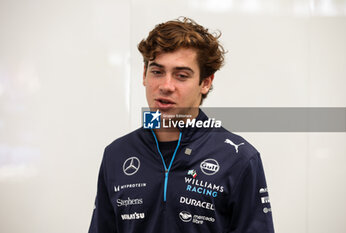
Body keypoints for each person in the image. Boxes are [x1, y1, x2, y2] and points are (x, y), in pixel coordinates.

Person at [88, 17, 274, 233]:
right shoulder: (117, 154)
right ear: (144, 75)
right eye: (157, 72)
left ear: (205, 82)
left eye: (181, 76)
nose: (166, 86)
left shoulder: (238, 158)